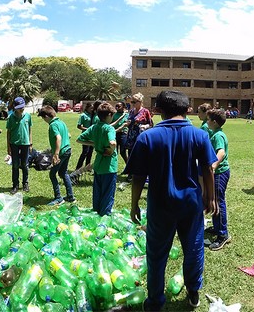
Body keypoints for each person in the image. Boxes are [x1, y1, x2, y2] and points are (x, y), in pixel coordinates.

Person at [124, 90, 217, 311]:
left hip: (160, 204)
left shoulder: (147, 136)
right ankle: (193, 291)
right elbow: (207, 169)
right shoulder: (199, 135)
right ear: (187, 110)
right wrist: (210, 197)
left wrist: (134, 203)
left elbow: (138, 176)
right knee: (193, 248)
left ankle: (155, 301)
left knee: (156, 254)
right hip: (191, 204)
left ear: (157, 110)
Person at [76, 102, 118, 216]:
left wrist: (94, 144)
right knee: (108, 193)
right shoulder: (109, 128)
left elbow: (79, 139)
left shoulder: (94, 127)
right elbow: (112, 142)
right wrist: (110, 149)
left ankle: (96, 213)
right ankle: (105, 216)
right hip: (109, 166)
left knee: (98, 191)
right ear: (109, 115)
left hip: (98, 165)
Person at [205, 108, 230, 250]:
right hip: (217, 173)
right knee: (213, 200)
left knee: (218, 202)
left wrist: (214, 165)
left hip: (220, 173)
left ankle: (223, 235)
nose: (206, 122)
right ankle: (216, 227)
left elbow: (221, 151)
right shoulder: (215, 133)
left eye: (208, 119)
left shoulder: (217, 136)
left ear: (214, 122)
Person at [39, 106, 75, 206]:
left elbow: (58, 138)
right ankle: (70, 196)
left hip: (62, 153)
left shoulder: (53, 125)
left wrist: (56, 154)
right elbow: (69, 135)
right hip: (68, 149)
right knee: (63, 173)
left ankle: (58, 198)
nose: (44, 120)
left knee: (52, 174)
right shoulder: (61, 122)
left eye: (43, 118)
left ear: (46, 116)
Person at [6, 97, 33, 194]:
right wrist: (8, 147)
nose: (21, 109)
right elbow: (8, 133)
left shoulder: (28, 116)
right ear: (15, 107)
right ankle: (15, 185)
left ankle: (25, 183)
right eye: (19, 107)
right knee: (15, 165)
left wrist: (30, 143)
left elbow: (30, 129)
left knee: (25, 165)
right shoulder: (10, 118)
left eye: (22, 107)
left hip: (25, 144)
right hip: (14, 144)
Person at [75, 102, 95, 171]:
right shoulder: (83, 115)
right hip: (86, 136)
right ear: (87, 108)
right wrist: (88, 129)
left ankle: (88, 167)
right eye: (91, 108)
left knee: (90, 152)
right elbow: (79, 126)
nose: (92, 109)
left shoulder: (93, 115)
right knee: (85, 152)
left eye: (93, 108)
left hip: (92, 136)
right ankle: (78, 167)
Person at [109, 101, 130, 165]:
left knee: (123, 151)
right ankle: (113, 166)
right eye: (116, 106)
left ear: (123, 107)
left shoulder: (127, 115)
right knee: (114, 151)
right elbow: (110, 124)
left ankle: (128, 166)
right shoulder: (114, 115)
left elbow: (128, 123)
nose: (117, 107)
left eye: (119, 106)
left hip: (123, 134)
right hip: (115, 134)